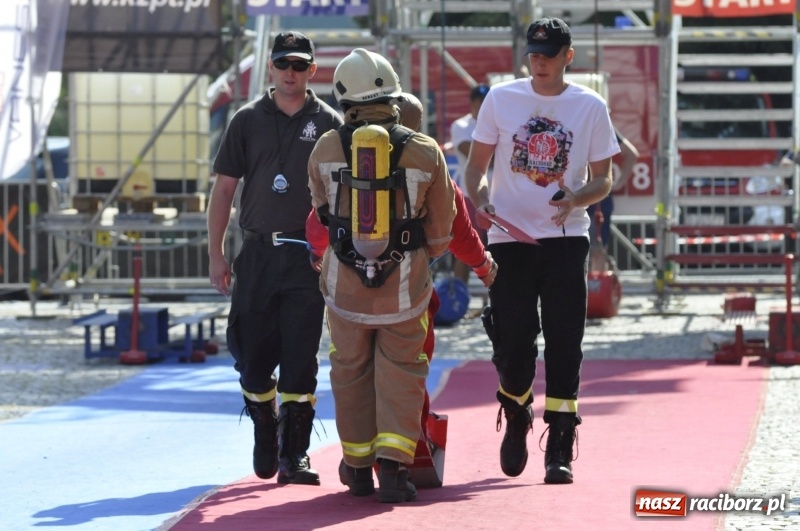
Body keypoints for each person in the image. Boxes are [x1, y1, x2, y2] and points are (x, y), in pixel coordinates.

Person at [463, 17, 620, 484]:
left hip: (565, 239)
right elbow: (474, 169)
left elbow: (604, 179)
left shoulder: (590, 106)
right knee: (512, 341)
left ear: (568, 56)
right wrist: (482, 201)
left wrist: (577, 197)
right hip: (508, 238)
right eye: (533, 54)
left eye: (549, 55)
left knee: (565, 342)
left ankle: (561, 439)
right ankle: (516, 411)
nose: (540, 63)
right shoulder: (500, 98)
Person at [306, 49, 456, 503]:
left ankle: (356, 469)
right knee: (402, 372)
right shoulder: (425, 150)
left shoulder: (325, 148)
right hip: (404, 288)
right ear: (393, 94)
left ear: (344, 97)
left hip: (344, 289)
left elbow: (321, 211)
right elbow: (442, 230)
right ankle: (393, 470)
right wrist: (413, 256)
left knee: (349, 371)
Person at [207, 30, 343, 487]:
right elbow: (224, 191)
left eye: (299, 65)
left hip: (308, 257)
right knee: (251, 356)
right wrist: (216, 255)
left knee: (301, 358)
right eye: (283, 63)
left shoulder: (330, 122)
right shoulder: (246, 120)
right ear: (270, 67)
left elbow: (342, 195)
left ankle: (294, 453)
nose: (291, 72)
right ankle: (264, 425)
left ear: (312, 70)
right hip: (258, 254)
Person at [449, 84, 491, 285]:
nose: (485, 105)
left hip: (497, 196)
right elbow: (472, 153)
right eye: (482, 101)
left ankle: (495, 297)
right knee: (467, 249)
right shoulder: (461, 125)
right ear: (473, 102)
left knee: (499, 248)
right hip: (470, 196)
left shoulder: (496, 124)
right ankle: (459, 294)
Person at [587, 127, 639, 248]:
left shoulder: (600, 125)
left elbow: (631, 154)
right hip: (574, 198)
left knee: (596, 249)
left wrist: (618, 184)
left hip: (595, 200)